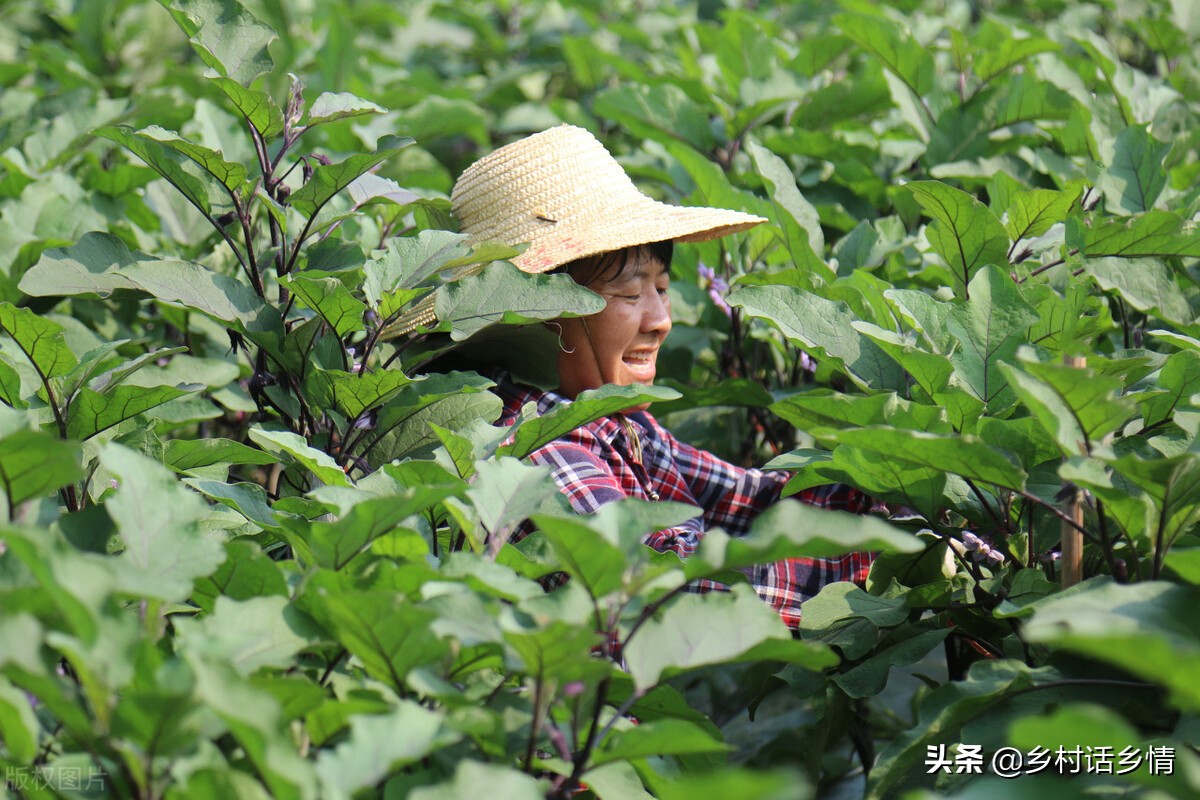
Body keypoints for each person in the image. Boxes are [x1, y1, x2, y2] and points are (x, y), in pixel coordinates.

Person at [446, 125, 876, 629]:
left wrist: (888, 500)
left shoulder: (612, 422)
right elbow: (664, 591)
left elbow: (748, 498)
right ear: (538, 315)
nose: (661, 320)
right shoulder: (533, 452)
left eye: (663, 289)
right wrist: (881, 564)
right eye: (630, 294)